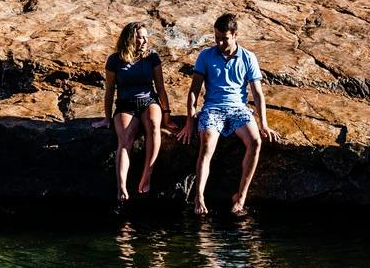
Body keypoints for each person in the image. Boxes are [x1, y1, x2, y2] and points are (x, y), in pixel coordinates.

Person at [180, 13, 273, 215]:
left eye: (225, 38)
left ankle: (240, 196)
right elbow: (194, 91)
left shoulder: (248, 57)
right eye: (217, 37)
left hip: (239, 108)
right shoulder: (205, 56)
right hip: (213, 108)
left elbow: (257, 94)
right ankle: (199, 196)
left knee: (256, 141)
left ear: (235, 35)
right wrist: (190, 122)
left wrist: (263, 124)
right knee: (207, 142)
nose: (220, 42)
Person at [104, 20, 166, 206]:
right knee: (125, 139)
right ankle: (121, 186)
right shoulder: (115, 60)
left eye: (146, 37)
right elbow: (109, 91)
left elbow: (160, 88)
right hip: (125, 104)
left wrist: (168, 114)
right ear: (129, 39)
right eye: (140, 38)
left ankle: (147, 173)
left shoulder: (152, 57)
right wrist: (107, 118)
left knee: (154, 126)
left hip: (149, 100)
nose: (144, 41)